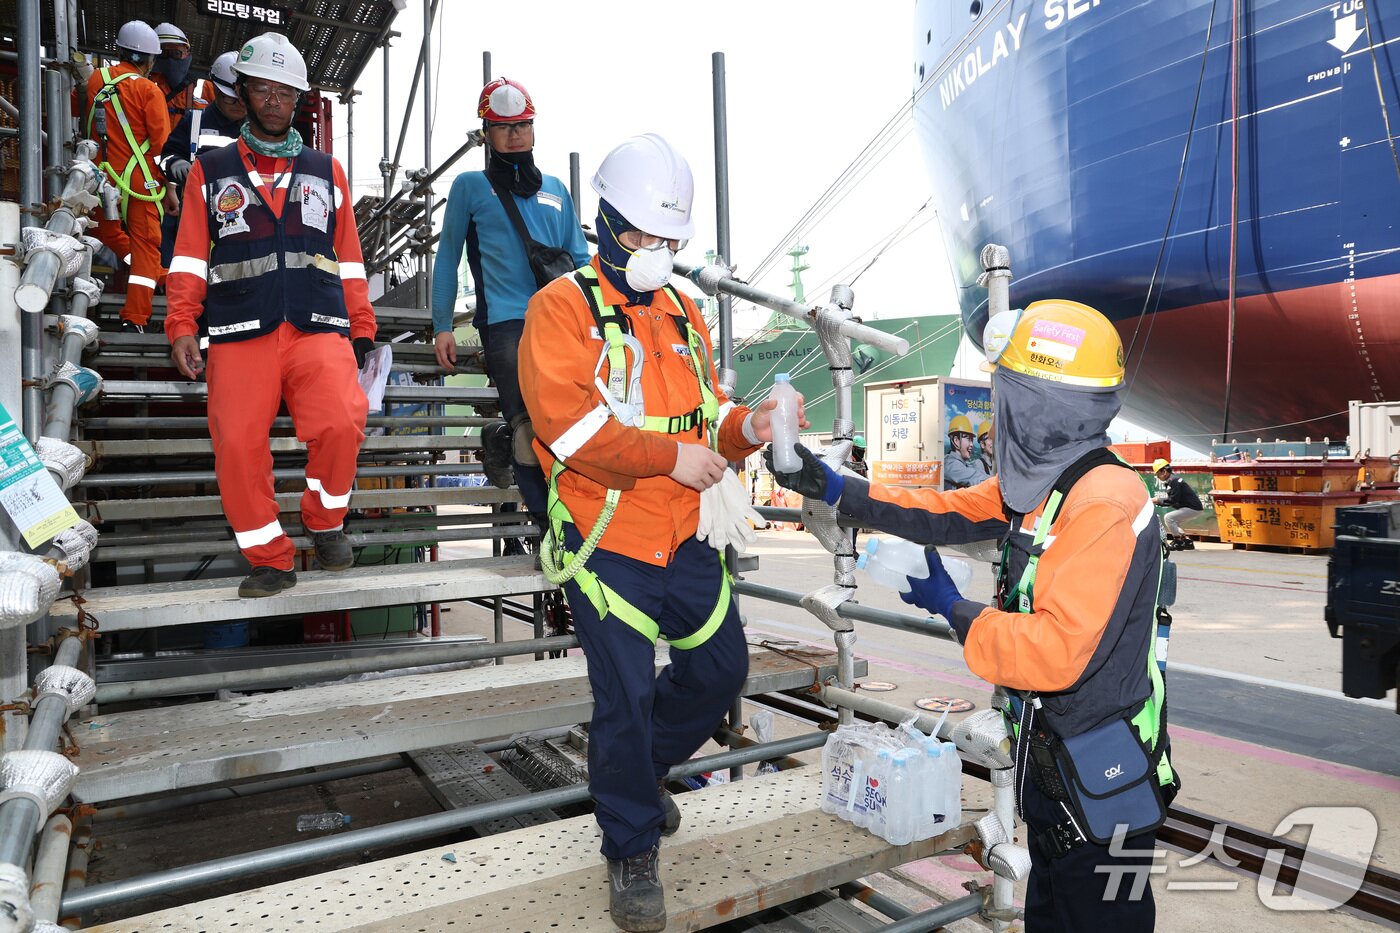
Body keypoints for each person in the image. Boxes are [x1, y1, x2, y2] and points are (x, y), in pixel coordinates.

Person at [768, 300, 1175, 933]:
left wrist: (953, 608)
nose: (997, 410)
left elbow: (1053, 652)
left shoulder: (1102, 502)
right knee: (1053, 914)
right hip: (1060, 766)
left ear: (1038, 404)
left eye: (1007, 393)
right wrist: (834, 486)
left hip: (1103, 774)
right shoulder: (1051, 481)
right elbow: (940, 511)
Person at [520, 133, 803, 933]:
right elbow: (569, 429)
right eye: (644, 235)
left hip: (687, 535)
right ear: (606, 225)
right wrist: (668, 457)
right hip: (608, 539)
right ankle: (632, 846)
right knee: (625, 698)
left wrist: (751, 424)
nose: (658, 252)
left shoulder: (682, 310)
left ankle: (636, 774)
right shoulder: (560, 309)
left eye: (669, 240)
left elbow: (709, 412)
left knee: (720, 671)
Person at [165, 32, 376, 598]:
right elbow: (189, 256)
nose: (275, 101)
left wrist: (361, 324)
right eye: (263, 89)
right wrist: (181, 324)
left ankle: (325, 521)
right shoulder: (210, 170)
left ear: (299, 98)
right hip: (239, 328)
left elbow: (349, 256)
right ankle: (269, 558)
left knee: (343, 420)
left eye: (285, 92)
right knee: (236, 445)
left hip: (317, 322)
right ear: (244, 92)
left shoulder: (327, 169)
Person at [431, 77, 589, 518]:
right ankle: (547, 528)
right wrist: (442, 325)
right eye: (502, 127)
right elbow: (448, 258)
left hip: (562, 321)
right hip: (506, 323)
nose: (515, 134)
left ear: (533, 128)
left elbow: (581, 260)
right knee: (527, 433)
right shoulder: (469, 186)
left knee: (575, 427)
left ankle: (499, 441)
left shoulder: (556, 188)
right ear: (486, 133)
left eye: (522, 124)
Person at [87, 20, 172, 333]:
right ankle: (135, 316)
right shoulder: (149, 90)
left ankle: (154, 272)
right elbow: (162, 146)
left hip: (101, 176)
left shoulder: (97, 80)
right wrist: (171, 189)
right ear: (149, 60)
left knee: (107, 231)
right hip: (140, 182)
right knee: (147, 247)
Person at [159, 50, 245, 268]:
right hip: (198, 220)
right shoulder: (194, 122)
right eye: (231, 98)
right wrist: (175, 163)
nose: (239, 104)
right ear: (215, 89)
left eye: (243, 98)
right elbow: (166, 156)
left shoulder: (258, 130)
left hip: (241, 224)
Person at [149, 23, 211, 133]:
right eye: (163, 54)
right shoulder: (142, 91)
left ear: (187, 54)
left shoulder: (204, 94)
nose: (169, 60)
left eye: (176, 53)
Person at [1153, 458, 1203, 551]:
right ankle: (1186, 541)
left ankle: (1178, 542)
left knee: (1168, 518)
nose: (1158, 477)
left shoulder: (1174, 481)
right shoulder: (1172, 480)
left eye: (1157, 474)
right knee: (1174, 521)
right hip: (1193, 507)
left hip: (1193, 508)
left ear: (1164, 472)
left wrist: (1158, 500)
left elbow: (1172, 500)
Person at [945, 413, 990, 488]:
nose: (971, 444)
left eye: (972, 440)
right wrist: (997, 481)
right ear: (956, 441)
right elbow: (974, 476)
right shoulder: (950, 465)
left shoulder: (962, 465)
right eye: (969, 439)